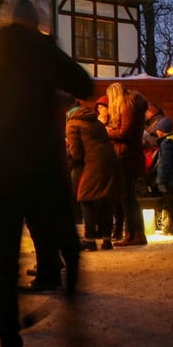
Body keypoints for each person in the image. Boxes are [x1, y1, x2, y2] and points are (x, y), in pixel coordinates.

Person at [0, 0, 94, 347]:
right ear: (35, 22)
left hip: (4, 170)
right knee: (70, 248)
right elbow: (84, 85)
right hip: (45, 168)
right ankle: (74, 329)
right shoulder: (42, 49)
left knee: (6, 259)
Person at [66, 96, 125, 251]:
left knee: (86, 199)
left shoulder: (72, 124)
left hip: (92, 163)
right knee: (106, 199)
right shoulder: (96, 121)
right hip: (110, 161)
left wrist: (68, 157)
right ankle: (106, 240)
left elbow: (76, 152)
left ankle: (90, 239)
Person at [105, 82, 149, 246]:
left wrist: (108, 131)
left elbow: (126, 132)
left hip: (127, 156)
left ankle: (135, 234)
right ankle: (132, 234)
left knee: (128, 197)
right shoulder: (132, 105)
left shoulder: (126, 106)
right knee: (128, 196)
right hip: (130, 156)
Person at [153, 117, 173, 235]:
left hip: (169, 180)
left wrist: (161, 180)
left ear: (162, 130)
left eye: (157, 129)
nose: (156, 132)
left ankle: (167, 228)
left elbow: (165, 164)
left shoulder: (166, 144)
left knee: (168, 205)